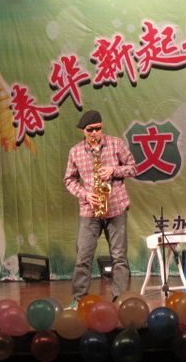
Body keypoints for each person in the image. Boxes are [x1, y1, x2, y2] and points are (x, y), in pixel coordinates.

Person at [64, 110, 136, 309]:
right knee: (83, 257)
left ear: (102, 125)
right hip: (90, 210)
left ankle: (119, 300)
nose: (94, 133)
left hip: (116, 207)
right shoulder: (75, 151)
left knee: (119, 258)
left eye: (97, 128)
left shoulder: (116, 144)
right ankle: (79, 299)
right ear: (83, 131)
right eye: (90, 130)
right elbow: (69, 180)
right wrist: (86, 194)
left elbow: (133, 167)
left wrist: (114, 170)